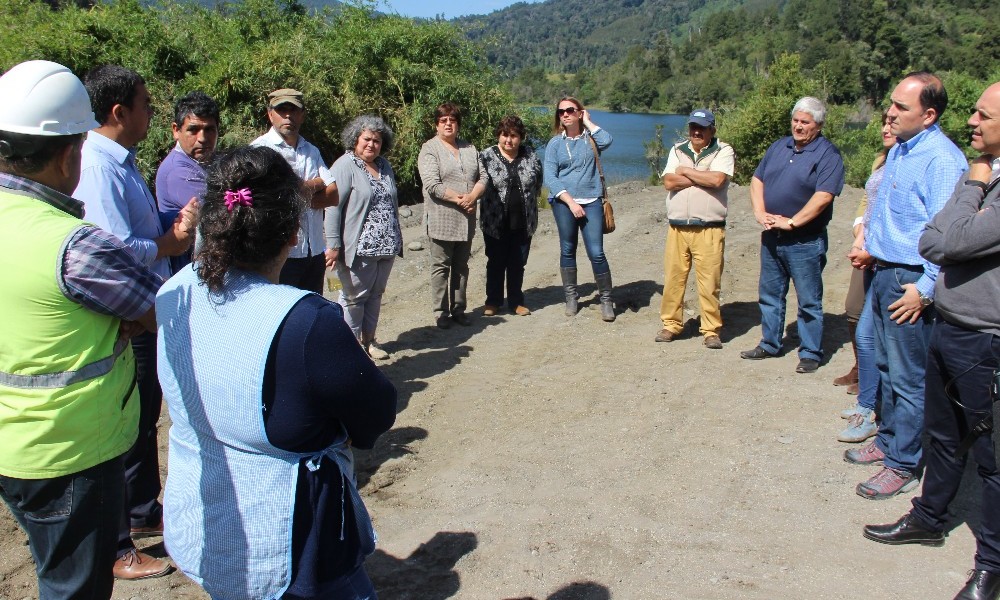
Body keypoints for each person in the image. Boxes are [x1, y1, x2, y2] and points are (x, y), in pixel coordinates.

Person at [157, 146, 397, 599]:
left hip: (203, 518)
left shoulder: (174, 292)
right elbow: (377, 411)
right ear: (292, 234)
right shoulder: (307, 321)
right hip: (291, 538)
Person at [0, 60, 160, 597]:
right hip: (70, 449)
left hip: (11, 445)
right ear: (69, 153)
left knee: (56, 567)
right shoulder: (75, 244)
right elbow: (153, 308)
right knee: (76, 585)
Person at [862, 81, 1000, 600]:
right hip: (947, 317)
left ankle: (989, 565)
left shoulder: (960, 166)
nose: (972, 122)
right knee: (940, 430)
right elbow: (932, 233)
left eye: (983, 115)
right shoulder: (944, 162)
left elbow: (944, 240)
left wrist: (923, 285)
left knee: (990, 456)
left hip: (981, 333)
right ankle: (928, 513)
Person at [73, 63, 195, 580]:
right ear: (119, 112)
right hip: (125, 315)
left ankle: (144, 511)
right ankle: (120, 543)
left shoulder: (120, 161)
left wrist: (171, 225)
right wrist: (168, 242)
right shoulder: (100, 167)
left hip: (142, 308)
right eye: (146, 105)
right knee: (127, 423)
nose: (151, 113)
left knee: (145, 417)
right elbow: (114, 249)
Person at [845, 72, 968, 499]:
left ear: (929, 114)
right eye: (891, 104)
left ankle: (903, 462)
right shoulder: (901, 149)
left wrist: (927, 287)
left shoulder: (942, 160)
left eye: (901, 107)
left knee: (909, 377)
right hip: (884, 271)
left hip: (910, 280)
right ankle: (889, 439)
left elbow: (948, 233)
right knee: (883, 366)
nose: (890, 113)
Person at [740, 97, 844, 373]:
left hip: (805, 240)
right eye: (795, 120)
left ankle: (810, 352)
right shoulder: (778, 146)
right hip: (772, 236)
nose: (798, 126)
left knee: (809, 299)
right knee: (770, 294)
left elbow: (823, 196)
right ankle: (770, 342)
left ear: (818, 126)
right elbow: (757, 180)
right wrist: (760, 212)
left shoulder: (827, 154)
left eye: (805, 122)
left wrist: (794, 222)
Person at [836, 113, 895, 443]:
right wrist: (861, 234)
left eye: (893, 119)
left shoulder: (923, 161)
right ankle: (867, 396)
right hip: (869, 249)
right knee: (858, 315)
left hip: (889, 257)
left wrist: (872, 245)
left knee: (881, 336)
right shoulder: (882, 160)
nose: (886, 126)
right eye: (885, 120)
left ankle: (875, 408)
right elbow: (868, 204)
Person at [325, 115, 403, 361]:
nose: (371, 144)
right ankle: (349, 349)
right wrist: (334, 244)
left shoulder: (384, 166)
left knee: (376, 295)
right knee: (353, 298)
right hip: (358, 248)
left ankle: (369, 341)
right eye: (367, 139)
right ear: (355, 139)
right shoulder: (345, 165)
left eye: (377, 141)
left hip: (386, 245)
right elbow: (333, 207)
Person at [655, 109, 734, 348]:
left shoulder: (724, 150)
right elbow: (668, 181)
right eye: (692, 128)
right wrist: (703, 176)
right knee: (673, 280)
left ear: (712, 130)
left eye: (702, 128)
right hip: (677, 227)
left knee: (709, 282)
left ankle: (710, 330)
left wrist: (686, 172)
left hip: (709, 228)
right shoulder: (678, 149)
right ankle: (671, 325)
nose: (696, 132)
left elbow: (718, 180)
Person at [251, 88, 338, 294]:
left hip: (314, 250)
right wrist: (318, 184)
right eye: (282, 110)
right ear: (270, 114)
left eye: (293, 110)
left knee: (311, 310)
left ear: (302, 114)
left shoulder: (311, 150)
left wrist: (297, 190)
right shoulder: (260, 150)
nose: (288, 116)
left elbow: (333, 194)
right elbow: (267, 199)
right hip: (279, 255)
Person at [543, 96, 615, 322]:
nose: (565, 114)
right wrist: (571, 202)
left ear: (579, 113)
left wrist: (589, 123)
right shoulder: (555, 144)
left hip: (592, 200)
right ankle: (571, 298)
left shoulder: (591, 139)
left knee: (596, 252)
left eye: (570, 110)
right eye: (561, 111)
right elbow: (550, 178)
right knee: (567, 248)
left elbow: (608, 140)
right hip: (564, 203)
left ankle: (605, 300)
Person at [418, 102, 485, 328]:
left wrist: (472, 197)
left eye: (452, 120)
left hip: (465, 220)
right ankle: (440, 312)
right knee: (440, 267)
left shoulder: (470, 148)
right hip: (441, 218)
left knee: (461, 267)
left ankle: (458, 309)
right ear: (436, 124)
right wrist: (461, 199)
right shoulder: (429, 149)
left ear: (458, 124)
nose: (448, 124)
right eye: (443, 120)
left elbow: (483, 177)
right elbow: (432, 185)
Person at [478, 115, 543, 317]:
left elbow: (538, 183)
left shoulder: (531, 155)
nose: (509, 140)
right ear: (499, 135)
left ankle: (516, 301)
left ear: (521, 137)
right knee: (495, 261)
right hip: (494, 220)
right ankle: (493, 301)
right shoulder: (486, 156)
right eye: (505, 135)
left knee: (518, 263)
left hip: (523, 221)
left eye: (514, 136)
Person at [154, 91, 220, 273]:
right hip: (189, 270)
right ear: (176, 130)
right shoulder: (178, 171)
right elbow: (222, 215)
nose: (202, 138)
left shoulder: (205, 162)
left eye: (209, 129)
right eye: (193, 129)